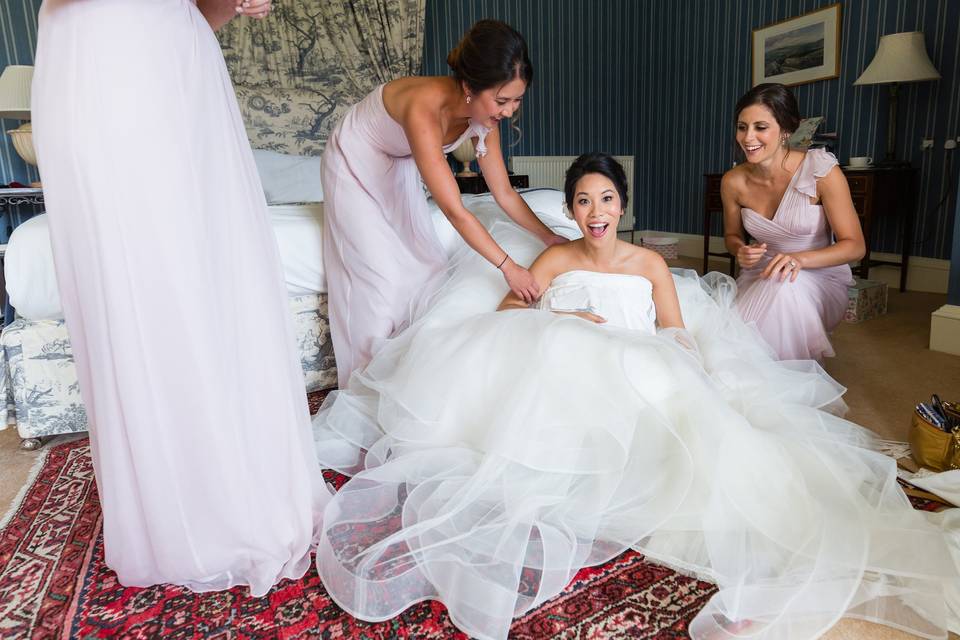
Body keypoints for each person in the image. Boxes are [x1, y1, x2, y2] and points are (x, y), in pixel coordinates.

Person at [311, 153, 957, 640]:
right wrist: (561, 323)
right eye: (584, 201)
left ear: (623, 205)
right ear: (571, 210)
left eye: (607, 198)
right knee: (559, 368)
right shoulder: (556, 263)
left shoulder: (648, 265)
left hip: (640, 369)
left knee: (705, 445)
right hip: (563, 372)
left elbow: (674, 334)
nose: (596, 211)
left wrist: (679, 373)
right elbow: (509, 314)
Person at [31, 0, 327, 595]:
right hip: (100, 59)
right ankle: (172, 510)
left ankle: (230, 485)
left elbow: (196, 11)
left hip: (179, 62)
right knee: (138, 272)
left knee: (202, 275)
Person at [320, 19, 567, 387]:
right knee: (379, 277)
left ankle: (408, 378)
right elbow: (454, 210)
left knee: (427, 266)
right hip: (357, 155)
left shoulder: (485, 118)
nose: (510, 111)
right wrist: (508, 267)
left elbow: (504, 194)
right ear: (470, 87)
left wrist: (550, 239)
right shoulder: (424, 108)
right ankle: (363, 387)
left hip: (400, 158)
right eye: (502, 101)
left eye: (517, 100)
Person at [721, 83, 865, 361]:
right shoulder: (733, 181)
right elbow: (731, 236)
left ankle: (778, 378)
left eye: (761, 127)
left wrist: (798, 260)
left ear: (786, 129)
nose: (748, 137)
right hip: (761, 274)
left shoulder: (822, 172)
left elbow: (855, 247)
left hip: (817, 275)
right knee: (725, 338)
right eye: (742, 127)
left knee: (785, 290)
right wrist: (740, 249)